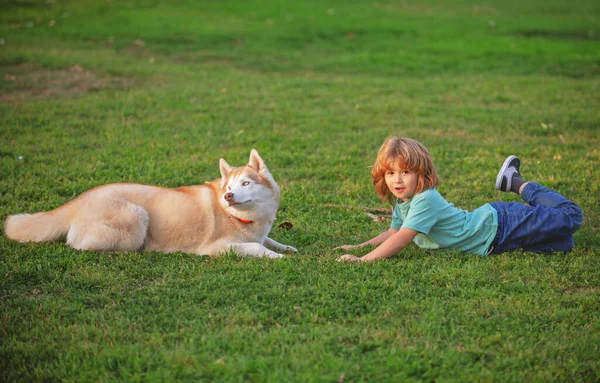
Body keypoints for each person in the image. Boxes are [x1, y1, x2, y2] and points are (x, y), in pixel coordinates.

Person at [336, 137, 583, 262]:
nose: (397, 181)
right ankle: (545, 222)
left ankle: (515, 182)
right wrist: (359, 247)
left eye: (405, 172)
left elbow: (401, 239)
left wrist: (363, 261)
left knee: (571, 216)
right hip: (495, 243)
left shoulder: (424, 200)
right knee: (563, 243)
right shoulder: (405, 201)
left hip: (501, 224)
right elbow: (393, 232)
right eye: (391, 173)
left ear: (421, 173)